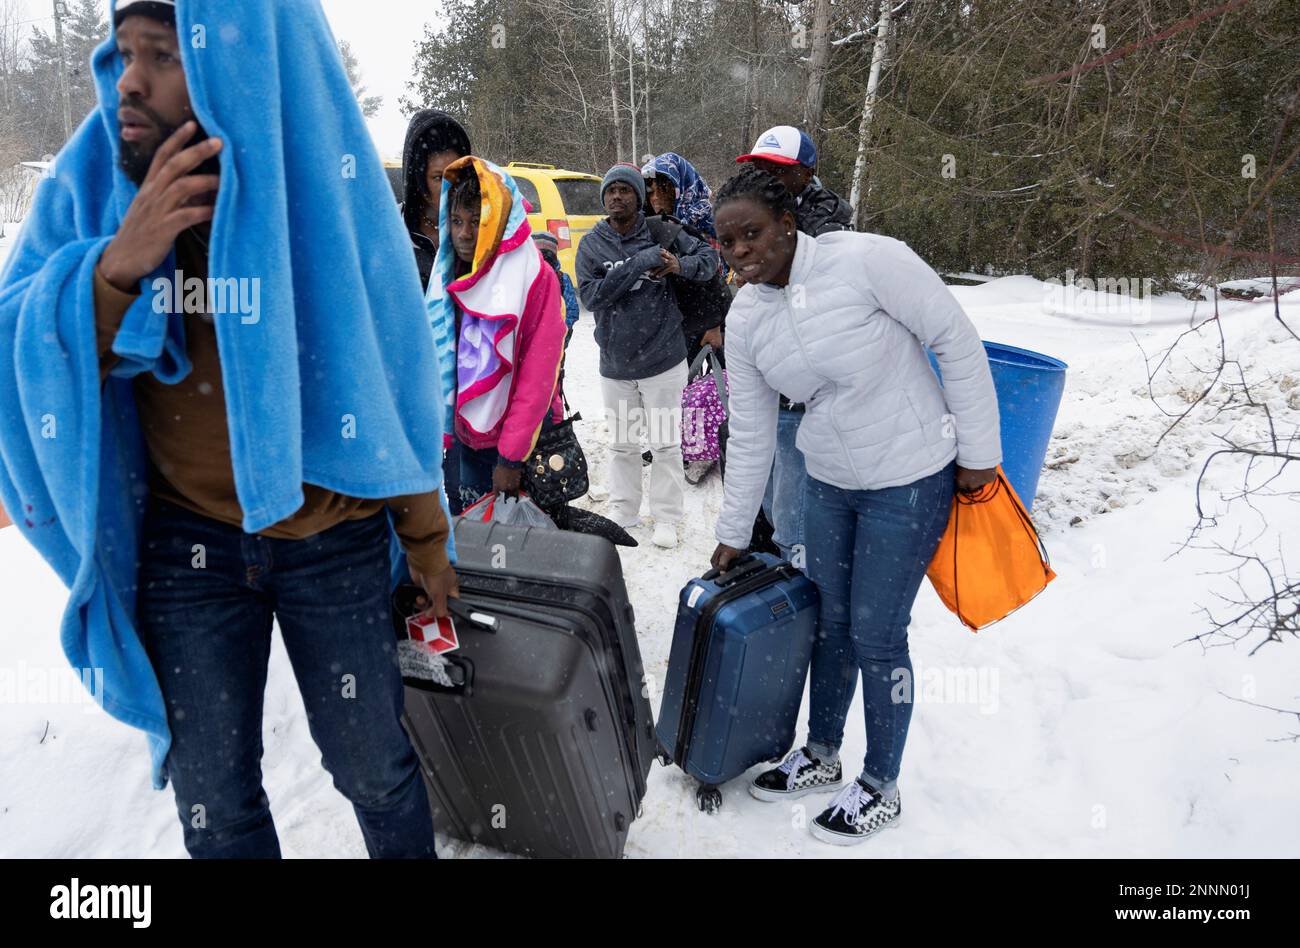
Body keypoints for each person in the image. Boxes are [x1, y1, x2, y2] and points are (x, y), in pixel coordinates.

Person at [0, 0, 458, 858]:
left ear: (240, 63)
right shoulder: (98, 171)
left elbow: (392, 369)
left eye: (164, 55)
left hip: (333, 534)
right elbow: (12, 337)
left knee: (372, 767)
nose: (128, 81)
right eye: (122, 52)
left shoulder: (318, 170)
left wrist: (427, 541)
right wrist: (116, 266)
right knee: (214, 800)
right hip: (188, 546)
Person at [709, 166, 1001, 845]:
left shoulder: (868, 261)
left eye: (753, 233)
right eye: (727, 241)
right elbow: (750, 429)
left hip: (910, 473)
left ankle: (881, 784)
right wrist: (733, 530)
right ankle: (822, 752)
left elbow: (954, 340)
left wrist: (979, 454)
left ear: (788, 224)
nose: (741, 251)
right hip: (830, 478)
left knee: (877, 632)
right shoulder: (746, 316)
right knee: (831, 622)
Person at [575, 164, 718, 549]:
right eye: (611, 190)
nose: (616, 196)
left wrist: (679, 264)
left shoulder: (663, 232)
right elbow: (592, 296)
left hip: (663, 360)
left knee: (666, 445)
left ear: (638, 197)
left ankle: (667, 516)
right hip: (616, 365)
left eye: (625, 190)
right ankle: (625, 510)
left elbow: (710, 260)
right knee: (623, 444)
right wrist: (640, 262)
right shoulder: (592, 244)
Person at [734, 125, 855, 565]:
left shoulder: (828, 226)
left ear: (805, 173)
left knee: (792, 501)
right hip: (765, 375)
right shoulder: (757, 215)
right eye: (758, 167)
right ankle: (768, 558)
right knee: (764, 488)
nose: (764, 177)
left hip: (803, 389)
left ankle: (797, 572)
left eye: (776, 169)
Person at [428, 156, 566, 514]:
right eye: (456, 221)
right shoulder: (448, 275)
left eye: (477, 221)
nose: (464, 234)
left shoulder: (533, 278)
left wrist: (510, 457)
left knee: (515, 535)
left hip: (518, 444)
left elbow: (538, 376)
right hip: (464, 437)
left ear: (501, 220)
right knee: (467, 522)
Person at [400, 109, 472, 290]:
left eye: (457, 173)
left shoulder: (481, 227)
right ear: (418, 180)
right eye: (439, 177)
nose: (451, 185)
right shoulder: (392, 231)